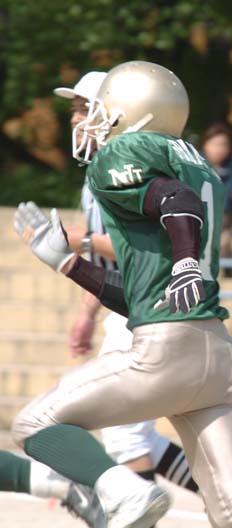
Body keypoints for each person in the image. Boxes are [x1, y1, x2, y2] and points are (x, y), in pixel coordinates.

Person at [12, 60, 232, 528]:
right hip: (218, 356)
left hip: (166, 351)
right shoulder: (195, 161)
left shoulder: (123, 151)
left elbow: (176, 201)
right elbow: (142, 295)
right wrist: (69, 264)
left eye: (98, 111)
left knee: (34, 424)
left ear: (131, 111)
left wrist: (184, 260)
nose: (89, 123)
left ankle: (126, 491)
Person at [56, 72, 201, 497]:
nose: (76, 119)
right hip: (135, 306)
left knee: (122, 435)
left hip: (146, 306)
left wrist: (76, 241)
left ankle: (134, 513)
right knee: (139, 437)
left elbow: (142, 249)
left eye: (85, 109)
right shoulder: (107, 167)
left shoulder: (125, 168)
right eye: (75, 110)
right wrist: (87, 313)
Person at [199, 123, 232, 262]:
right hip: (196, 210)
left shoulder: (231, 166)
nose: (220, 149)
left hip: (220, 213)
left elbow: (227, 194)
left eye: (224, 145)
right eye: (216, 144)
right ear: (205, 144)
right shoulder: (193, 162)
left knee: (224, 236)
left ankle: (221, 266)